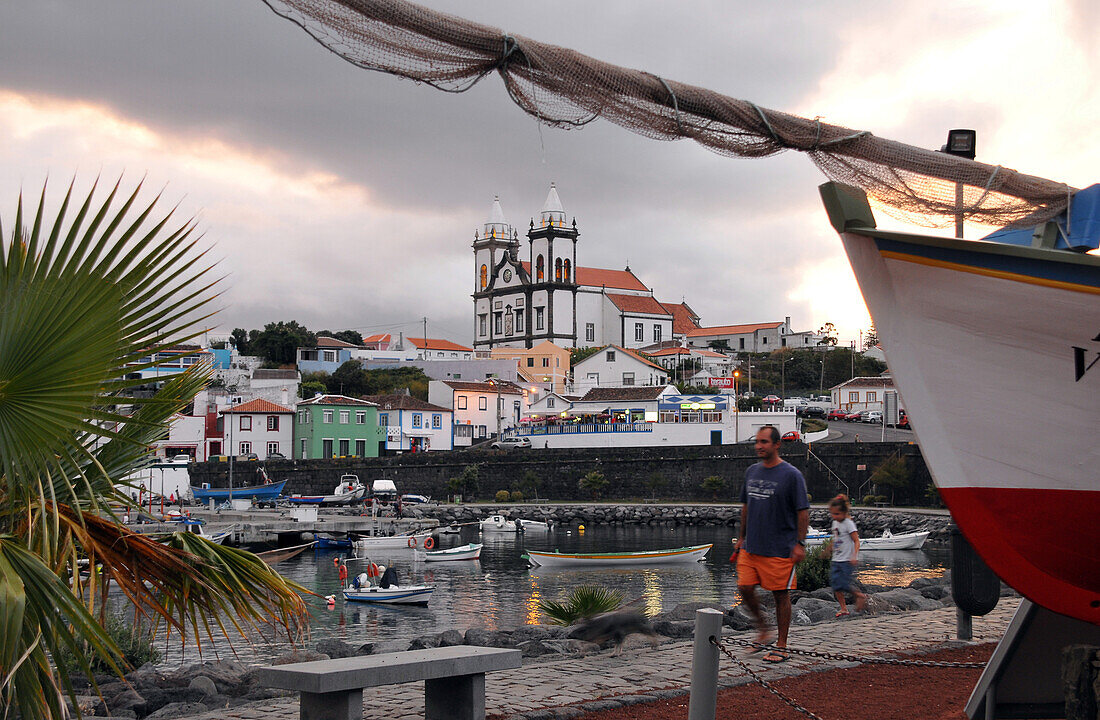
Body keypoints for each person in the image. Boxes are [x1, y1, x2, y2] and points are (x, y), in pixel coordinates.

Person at [733, 426, 809, 664]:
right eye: (757, 441)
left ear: (777, 445)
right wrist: (741, 538)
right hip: (751, 546)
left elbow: (803, 511)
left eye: (764, 442)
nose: (759, 446)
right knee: (744, 588)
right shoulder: (751, 471)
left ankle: (782, 645)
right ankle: (763, 630)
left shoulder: (791, 475)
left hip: (780, 549)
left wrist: (799, 543)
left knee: (780, 596)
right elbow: (746, 506)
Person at [825, 494, 867, 616]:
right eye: (832, 514)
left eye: (837, 514)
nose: (834, 516)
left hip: (847, 559)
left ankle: (859, 595)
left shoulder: (849, 523)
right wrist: (829, 549)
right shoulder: (835, 523)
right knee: (835, 585)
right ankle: (844, 608)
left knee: (842, 583)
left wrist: (854, 555)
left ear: (844, 512)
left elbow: (856, 540)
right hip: (837, 558)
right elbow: (836, 538)